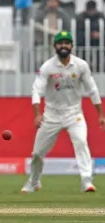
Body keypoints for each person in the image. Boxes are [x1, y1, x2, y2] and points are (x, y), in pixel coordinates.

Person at [22, 31, 105, 193]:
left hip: (74, 114)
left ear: (72, 46)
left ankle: (86, 181)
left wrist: (101, 114)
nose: (64, 46)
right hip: (51, 115)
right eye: (61, 43)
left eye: (67, 43)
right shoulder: (47, 67)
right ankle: (34, 181)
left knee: (81, 142)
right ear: (55, 47)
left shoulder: (81, 65)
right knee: (37, 153)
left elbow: (92, 90)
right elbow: (36, 91)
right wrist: (37, 114)